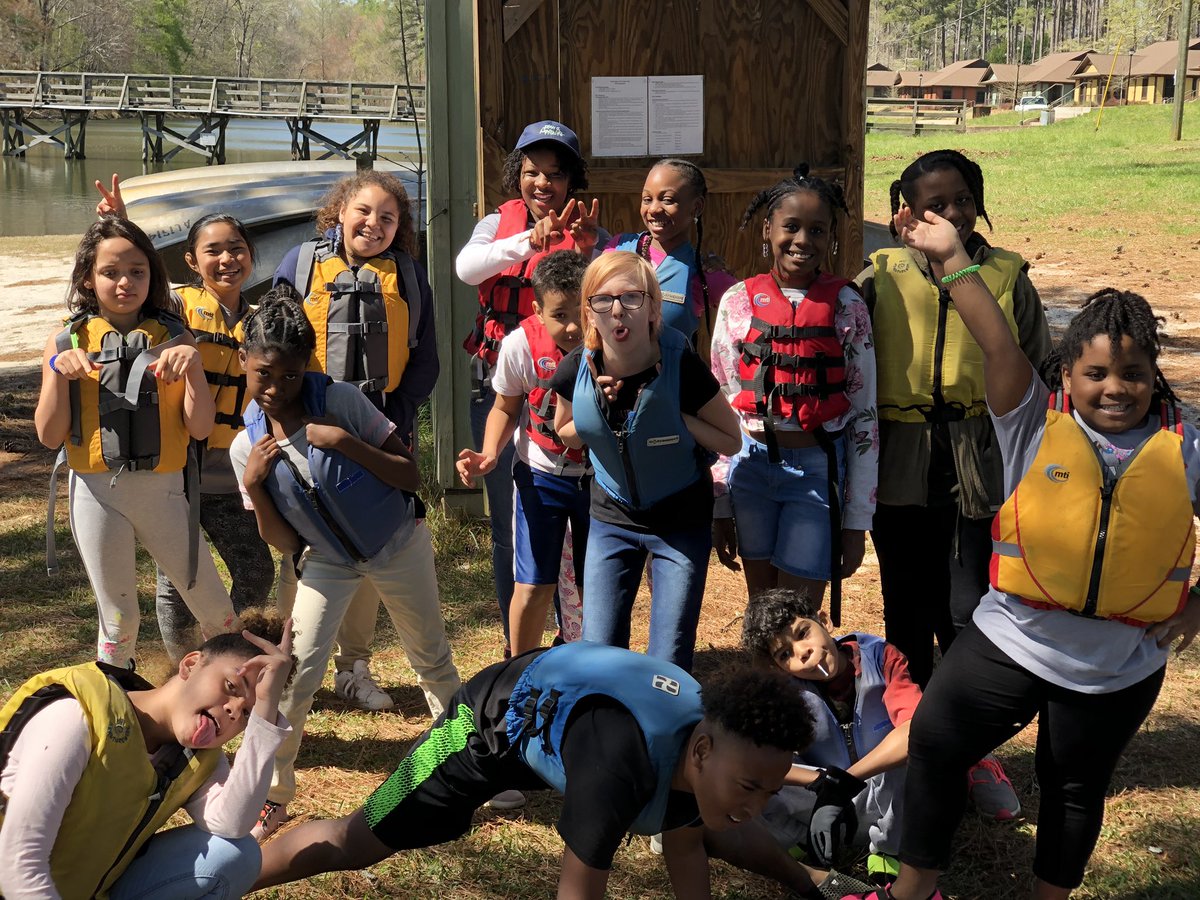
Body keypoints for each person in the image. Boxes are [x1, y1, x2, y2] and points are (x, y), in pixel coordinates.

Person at [840, 207, 1200, 900]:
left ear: (1153, 374)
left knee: (1074, 787)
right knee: (936, 744)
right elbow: (997, 341)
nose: (1115, 387)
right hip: (1013, 637)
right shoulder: (1031, 419)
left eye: (1133, 373)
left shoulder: (1183, 447)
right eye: (1097, 372)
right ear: (1067, 373)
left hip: (1117, 663)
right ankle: (913, 891)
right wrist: (951, 257)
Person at [251, 642, 841, 898]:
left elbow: (685, 844)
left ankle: (820, 886)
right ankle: (230, 879)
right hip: (486, 725)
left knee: (715, 822)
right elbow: (577, 893)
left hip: (565, 723)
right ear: (703, 752)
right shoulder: (619, 769)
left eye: (769, 791)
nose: (757, 806)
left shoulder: (707, 749)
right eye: (749, 787)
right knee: (356, 840)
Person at [857, 150, 1051, 819]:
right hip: (901, 462)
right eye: (934, 204)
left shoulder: (1007, 276)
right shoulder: (878, 276)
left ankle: (971, 751)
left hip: (982, 463)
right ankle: (914, 747)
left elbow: (1040, 369)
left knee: (971, 613)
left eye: (963, 199)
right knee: (907, 612)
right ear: (905, 213)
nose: (952, 214)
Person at [228, 288, 460, 839]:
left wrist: (345, 443)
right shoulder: (246, 448)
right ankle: (272, 793)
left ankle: (470, 764)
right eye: (263, 375)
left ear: (307, 365)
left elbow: (409, 475)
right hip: (328, 561)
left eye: (290, 375)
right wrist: (255, 487)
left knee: (431, 659)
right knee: (293, 672)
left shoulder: (342, 402)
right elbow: (284, 541)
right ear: (243, 362)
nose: (276, 389)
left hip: (398, 543)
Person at [34, 216, 238, 667]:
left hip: (163, 493)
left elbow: (200, 428)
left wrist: (193, 368)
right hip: (95, 495)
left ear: (152, 274)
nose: (125, 282)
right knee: (119, 619)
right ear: (88, 279)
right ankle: (117, 702)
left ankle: (231, 693)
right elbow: (49, 436)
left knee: (217, 610)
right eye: (110, 272)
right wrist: (58, 371)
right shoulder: (66, 340)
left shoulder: (175, 337)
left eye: (137, 271)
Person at [273, 169, 439, 712]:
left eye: (387, 217)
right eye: (363, 211)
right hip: (309, 430)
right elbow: (274, 343)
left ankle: (353, 667)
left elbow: (424, 359)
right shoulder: (300, 265)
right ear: (340, 211)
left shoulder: (408, 275)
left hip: (376, 430)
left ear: (399, 226)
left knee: (371, 538)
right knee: (303, 548)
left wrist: (395, 421)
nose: (373, 224)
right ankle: (282, 667)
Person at [0, 611, 294, 900]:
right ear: (191, 664)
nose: (233, 711)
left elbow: (232, 824)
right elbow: (17, 863)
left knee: (237, 853)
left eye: (248, 713)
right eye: (231, 686)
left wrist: (265, 712)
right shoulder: (76, 716)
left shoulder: (197, 759)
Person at [549, 252, 742, 672]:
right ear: (589, 313)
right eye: (603, 300)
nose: (618, 310)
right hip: (611, 519)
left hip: (679, 521)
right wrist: (597, 412)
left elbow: (731, 439)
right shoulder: (576, 369)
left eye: (632, 298)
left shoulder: (681, 366)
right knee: (599, 652)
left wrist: (678, 418)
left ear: (654, 309)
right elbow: (564, 431)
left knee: (668, 659)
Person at [455, 120, 604, 653]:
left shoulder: (590, 231)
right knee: (512, 525)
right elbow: (467, 268)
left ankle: (575, 637)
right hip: (503, 383)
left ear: (571, 180)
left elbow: (610, 294)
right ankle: (515, 646)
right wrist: (528, 240)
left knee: (584, 533)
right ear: (517, 174)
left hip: (570, 390)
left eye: (556, 174)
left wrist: (585, 247)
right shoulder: (498, 223)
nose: (543, 184)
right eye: (532, 172)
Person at [709, 166, 877, 623]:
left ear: (832, 238)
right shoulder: (738, 301)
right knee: (763, 612)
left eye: (817, 230)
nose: (803, 240)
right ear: (768, 229)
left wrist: (856, 522)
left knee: (798, 617)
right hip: (750, 469)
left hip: (816, 471)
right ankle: (763, 674)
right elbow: (722, 403)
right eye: (791, 226)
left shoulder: (847, 306)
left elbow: (864, 417)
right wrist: (720, 502)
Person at [456, 250, 590, 657]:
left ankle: (588, 665)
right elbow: (505, 406)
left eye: (580, 312)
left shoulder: (611, 338)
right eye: (559, 315)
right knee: (533, 586)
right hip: (541, 475)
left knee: (593, 584)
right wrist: (489, 452)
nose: (573, 327)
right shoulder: (521, 345)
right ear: (537, 311)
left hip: (598, 480)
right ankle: (519, 669)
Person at [742, 588, 921, 885]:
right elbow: (754, 758)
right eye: (785, 654)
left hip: (885, 800)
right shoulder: (785, 689)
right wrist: (822, 783)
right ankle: (804, 840)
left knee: (913, 756)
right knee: (748, 775)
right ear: (778, 667)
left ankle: (888, 849)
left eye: (803, 633)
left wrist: (844, 783)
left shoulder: (880, 657)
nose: (803, 653)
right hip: (820, 801)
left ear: (824, 621)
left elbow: (915, 731)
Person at [578, 158, 736, 361]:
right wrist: (584, 248)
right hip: (607, 376)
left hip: (670, 379)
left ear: (696, 207)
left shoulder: (703, 272)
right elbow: (584, 300)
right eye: (647, 199)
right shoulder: (618, 248)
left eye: (667, 200)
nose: (653, 209)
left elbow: (747, 309)